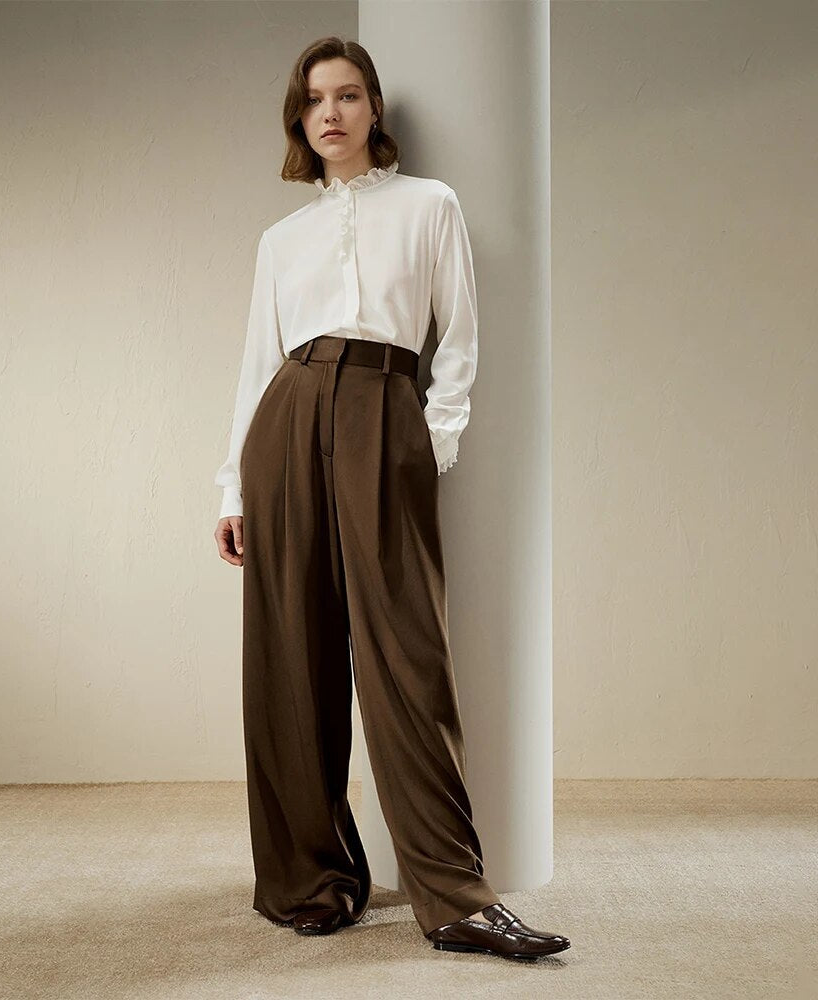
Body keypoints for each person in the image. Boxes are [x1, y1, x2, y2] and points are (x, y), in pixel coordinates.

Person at [212, 36, 570, 962]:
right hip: (288, 421)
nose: (330, 112)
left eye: (349, 95)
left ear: (375, 110)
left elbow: (459, 333)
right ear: (300, 120)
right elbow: (259, 365)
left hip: (385, 406)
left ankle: (455, 897)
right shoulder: (280, 240)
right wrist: (231, 485)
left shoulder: (428, 205)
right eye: (314, 100)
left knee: (407, 655)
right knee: (291, 653)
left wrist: (430, 439)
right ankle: (311, 880)